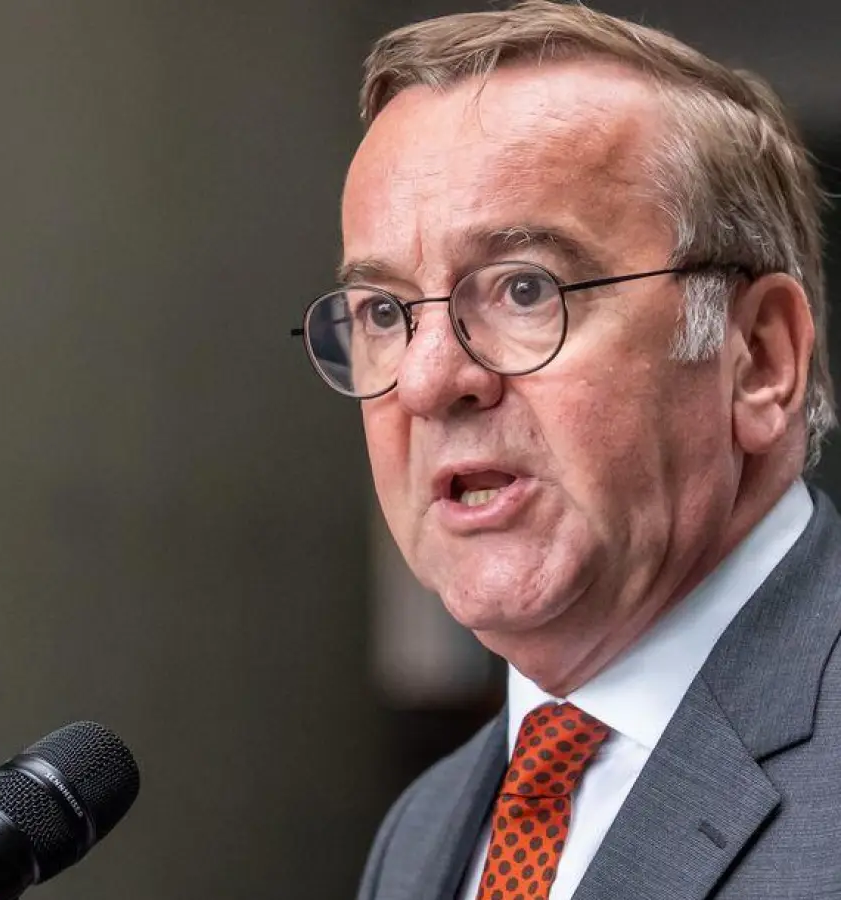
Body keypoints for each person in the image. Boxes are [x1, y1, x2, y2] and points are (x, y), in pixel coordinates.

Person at [294, 2, 841, 898]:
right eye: (384, 313)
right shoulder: (424, 828)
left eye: (522, 290)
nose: (429, 382)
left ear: (758, 360)